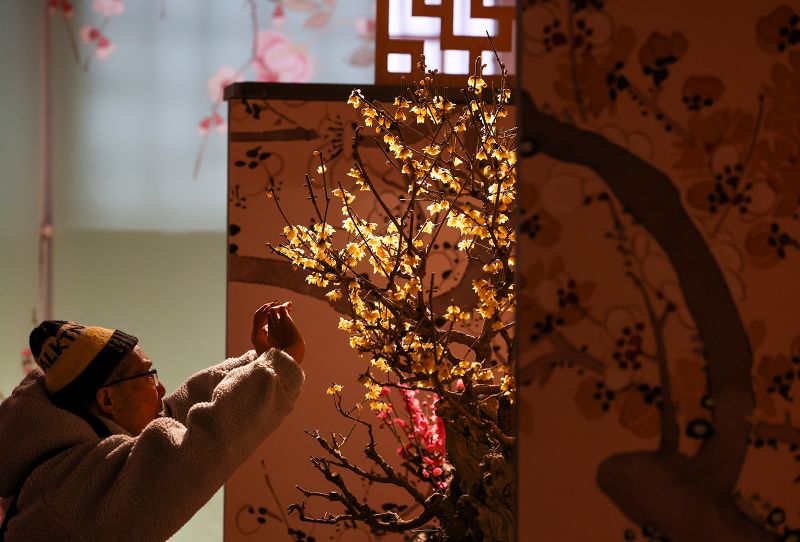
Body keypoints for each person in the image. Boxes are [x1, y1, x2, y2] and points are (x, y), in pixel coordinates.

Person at [0, 301, 304, 541]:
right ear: (107, 400)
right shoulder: (70, 497)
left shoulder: (65, 455)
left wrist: (261, 361)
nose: (160, 388)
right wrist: (281, 364)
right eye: (148, 375)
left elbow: (173, 416)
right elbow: (193, 449)